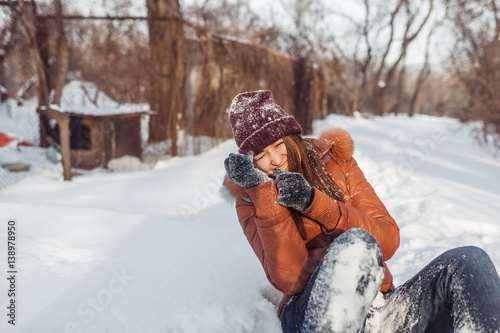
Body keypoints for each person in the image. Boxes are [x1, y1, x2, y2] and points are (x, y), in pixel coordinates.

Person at [222, 90, 500, 333]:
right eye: (260, 156)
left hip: (378, 309)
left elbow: (388, 239)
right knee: (356, 245)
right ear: (250, 161)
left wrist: (314, 203)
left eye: (278, 145)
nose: (274, 160)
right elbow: (289, 279)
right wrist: (265, 194)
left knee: (469, 260)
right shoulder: (250, 199)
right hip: (311, 312)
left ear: (291, 136)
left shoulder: (336, 163)